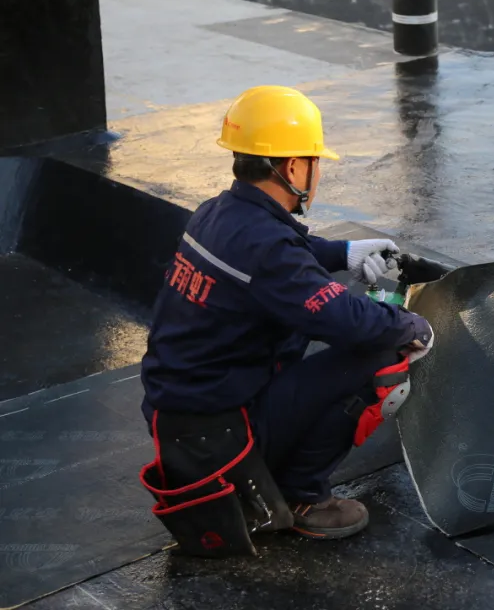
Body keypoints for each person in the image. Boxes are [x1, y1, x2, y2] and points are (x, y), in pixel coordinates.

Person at [139, 85, 434, 541]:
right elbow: (347, 321)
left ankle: (275, 470)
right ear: (294, 166)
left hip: (184, 421)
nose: (317, 173)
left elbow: (278, 257)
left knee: (326, 336)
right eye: (315, 162)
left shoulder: (215, 213)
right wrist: (414, 324)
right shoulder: (267, 247)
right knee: (380, 356)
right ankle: (301, 495)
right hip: (223, 437)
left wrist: (345, 252)